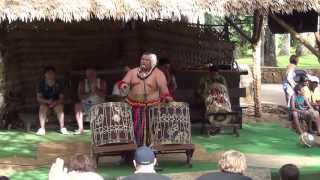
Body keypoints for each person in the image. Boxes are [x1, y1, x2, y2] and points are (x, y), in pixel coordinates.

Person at [117, 52, 173, 146]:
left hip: (152, 108)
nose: (143, 61)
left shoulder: (158, 74)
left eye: (147, 60)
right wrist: (123, 86)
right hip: (133, 107)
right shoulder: (132, 72)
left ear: (153, 63)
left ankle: (150, 155)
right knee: (132, 132)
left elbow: (164, 90)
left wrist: (167, 97)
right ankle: (132, 154)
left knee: (151, 134)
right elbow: (123, 82)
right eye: (142, 59)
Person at [36, 66, 68, 136]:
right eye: (48, 73)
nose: (50, 75)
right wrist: (47, 101)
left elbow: (61, 98)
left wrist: (55, 102)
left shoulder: (59, 83)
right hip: (45, 103)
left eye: (52, 73)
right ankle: (42, 128)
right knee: (42, 108)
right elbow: (38, 98)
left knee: (60, 107)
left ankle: (62, 127)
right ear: (45, 75)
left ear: (55, 74)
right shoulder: (41, 84)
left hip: (56, 103)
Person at [74, 67, 107, 134]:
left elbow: (103, 95)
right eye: (88, 74)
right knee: (77, 106)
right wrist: (90, 93)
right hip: (87, 104)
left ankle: (99, 128)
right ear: (86, 75)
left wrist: (96, 89)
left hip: (99, 104)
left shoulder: (101, 82)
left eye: (92, 73)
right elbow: (80, 96)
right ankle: (80, 129)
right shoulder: (82, 83)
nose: (90, 75)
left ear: (95, 74)